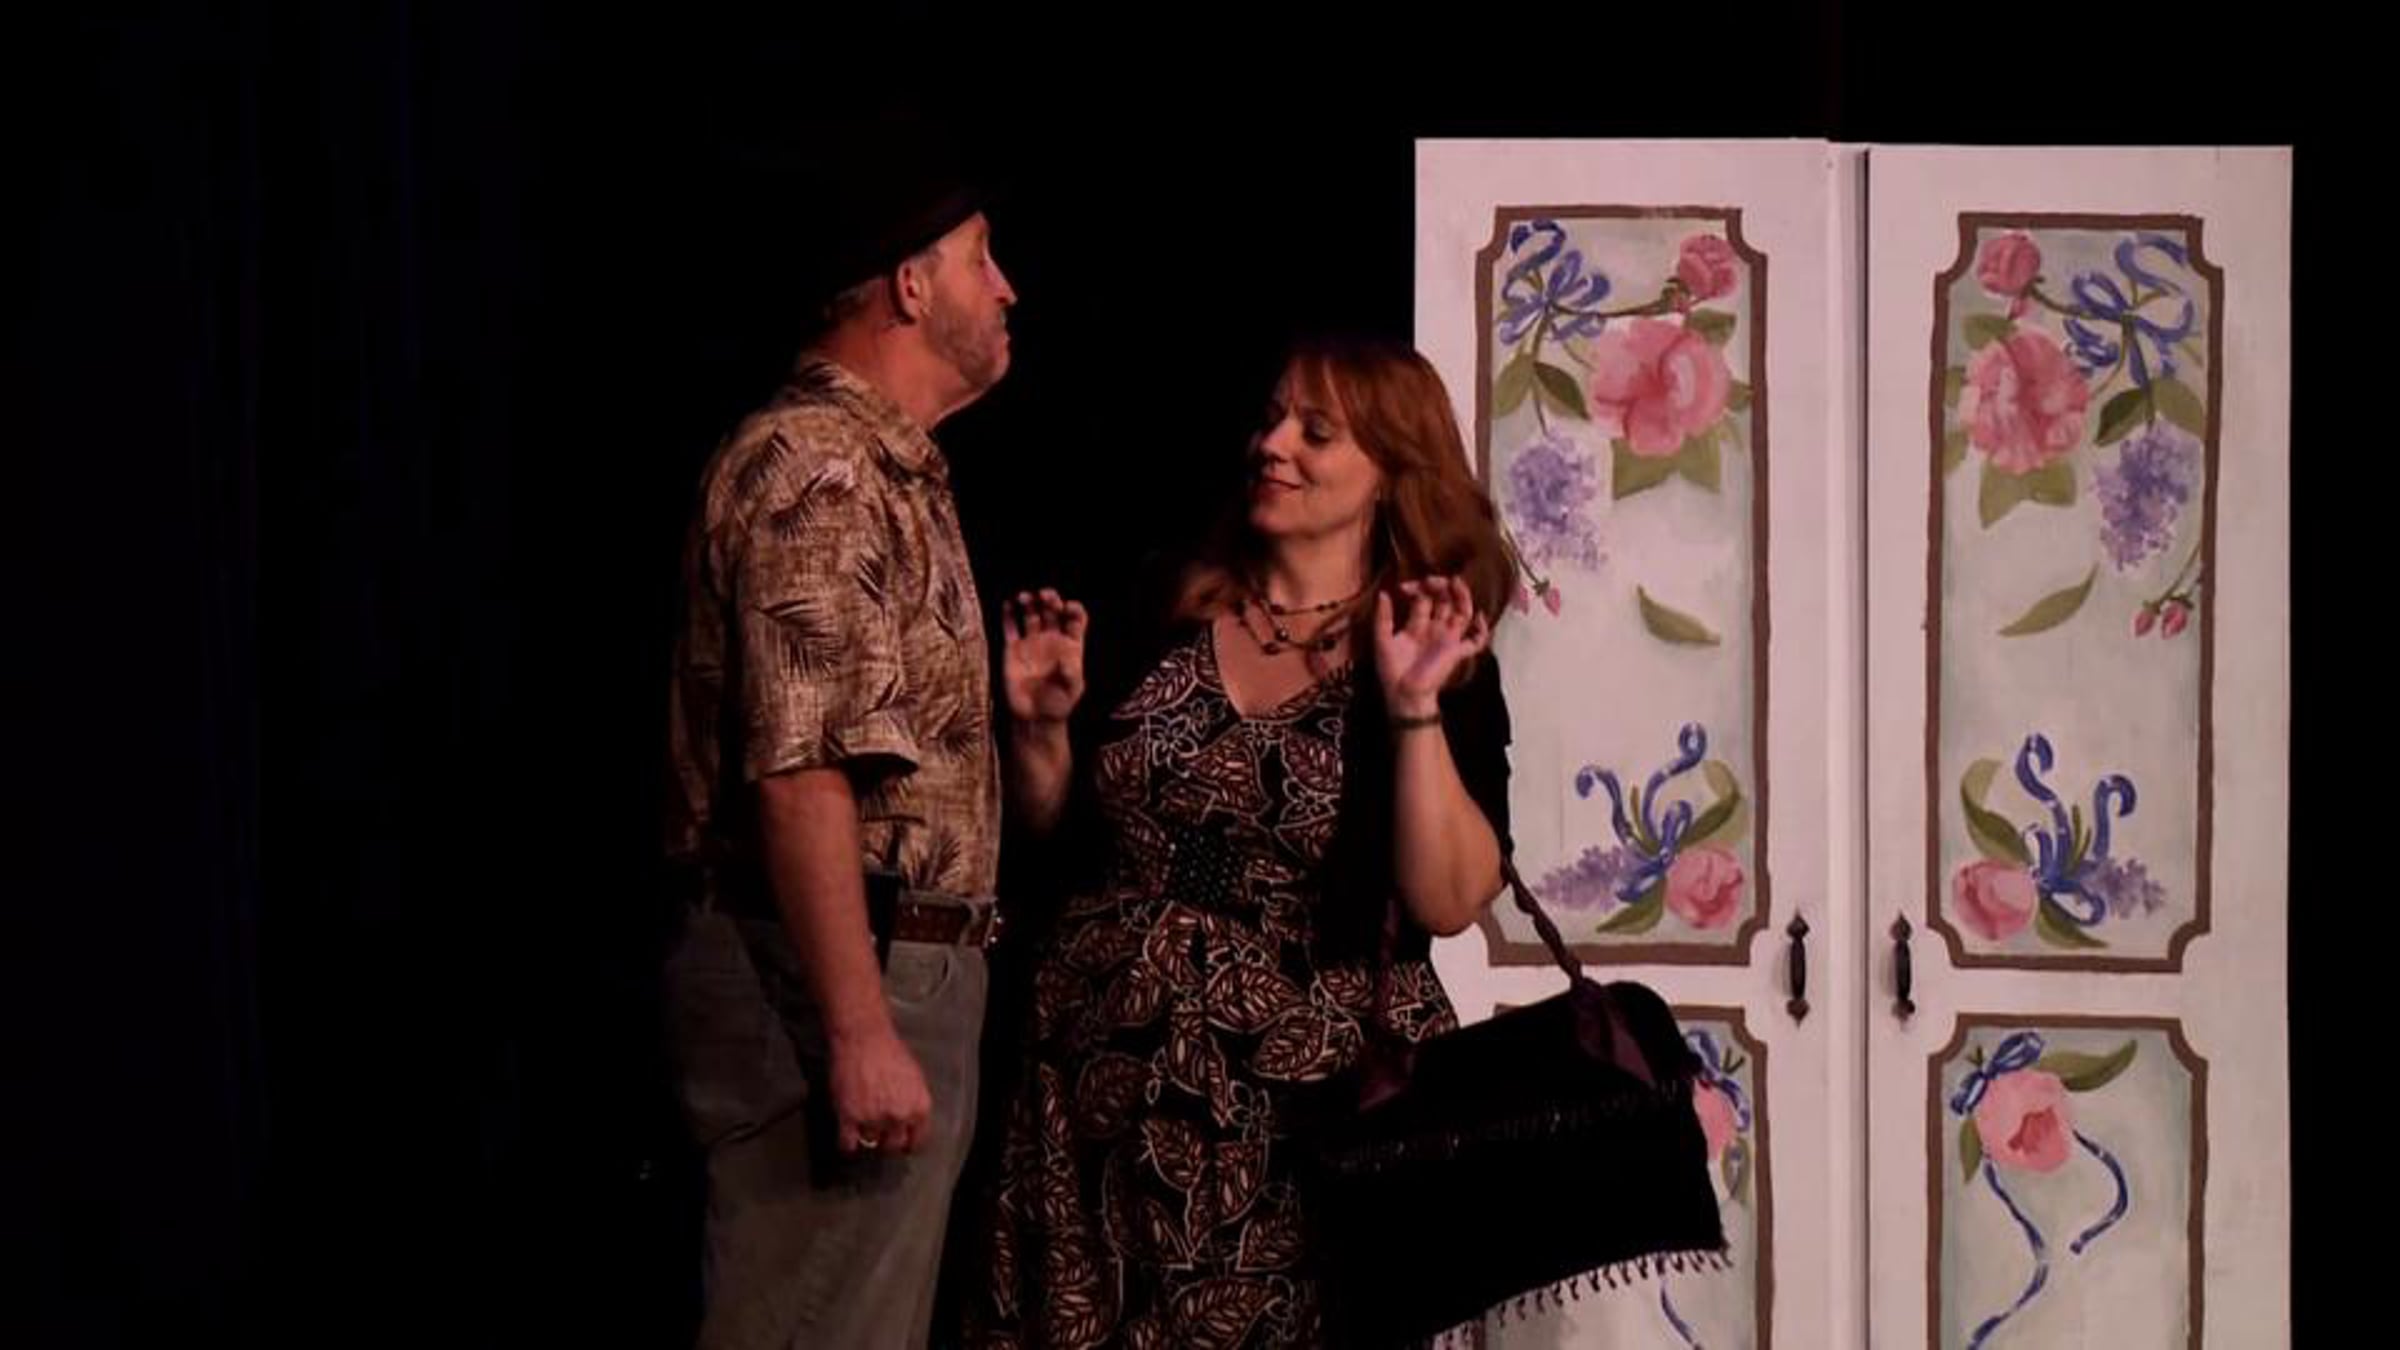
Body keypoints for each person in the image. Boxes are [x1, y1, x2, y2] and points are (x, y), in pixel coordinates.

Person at [969, 336, 1518, 1347]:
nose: (1274, 445)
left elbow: (1447, 900)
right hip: (1096, 1101)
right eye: (1271, 420)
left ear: (1391, 472)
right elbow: (1057, 840)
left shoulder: (1424, 648)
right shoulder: (1165, 606)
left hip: (1301, 1128)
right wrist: (1041, 733)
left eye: (1317, 432)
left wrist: (1412, 708)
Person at [662, 132, 1018, 1349]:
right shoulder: (818, 468)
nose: (1008, 288)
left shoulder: (888, 471)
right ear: (911, 286)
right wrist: (861, 1030)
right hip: (834, 977)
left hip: (890, 970)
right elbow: (799, 767)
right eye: (983, 258)